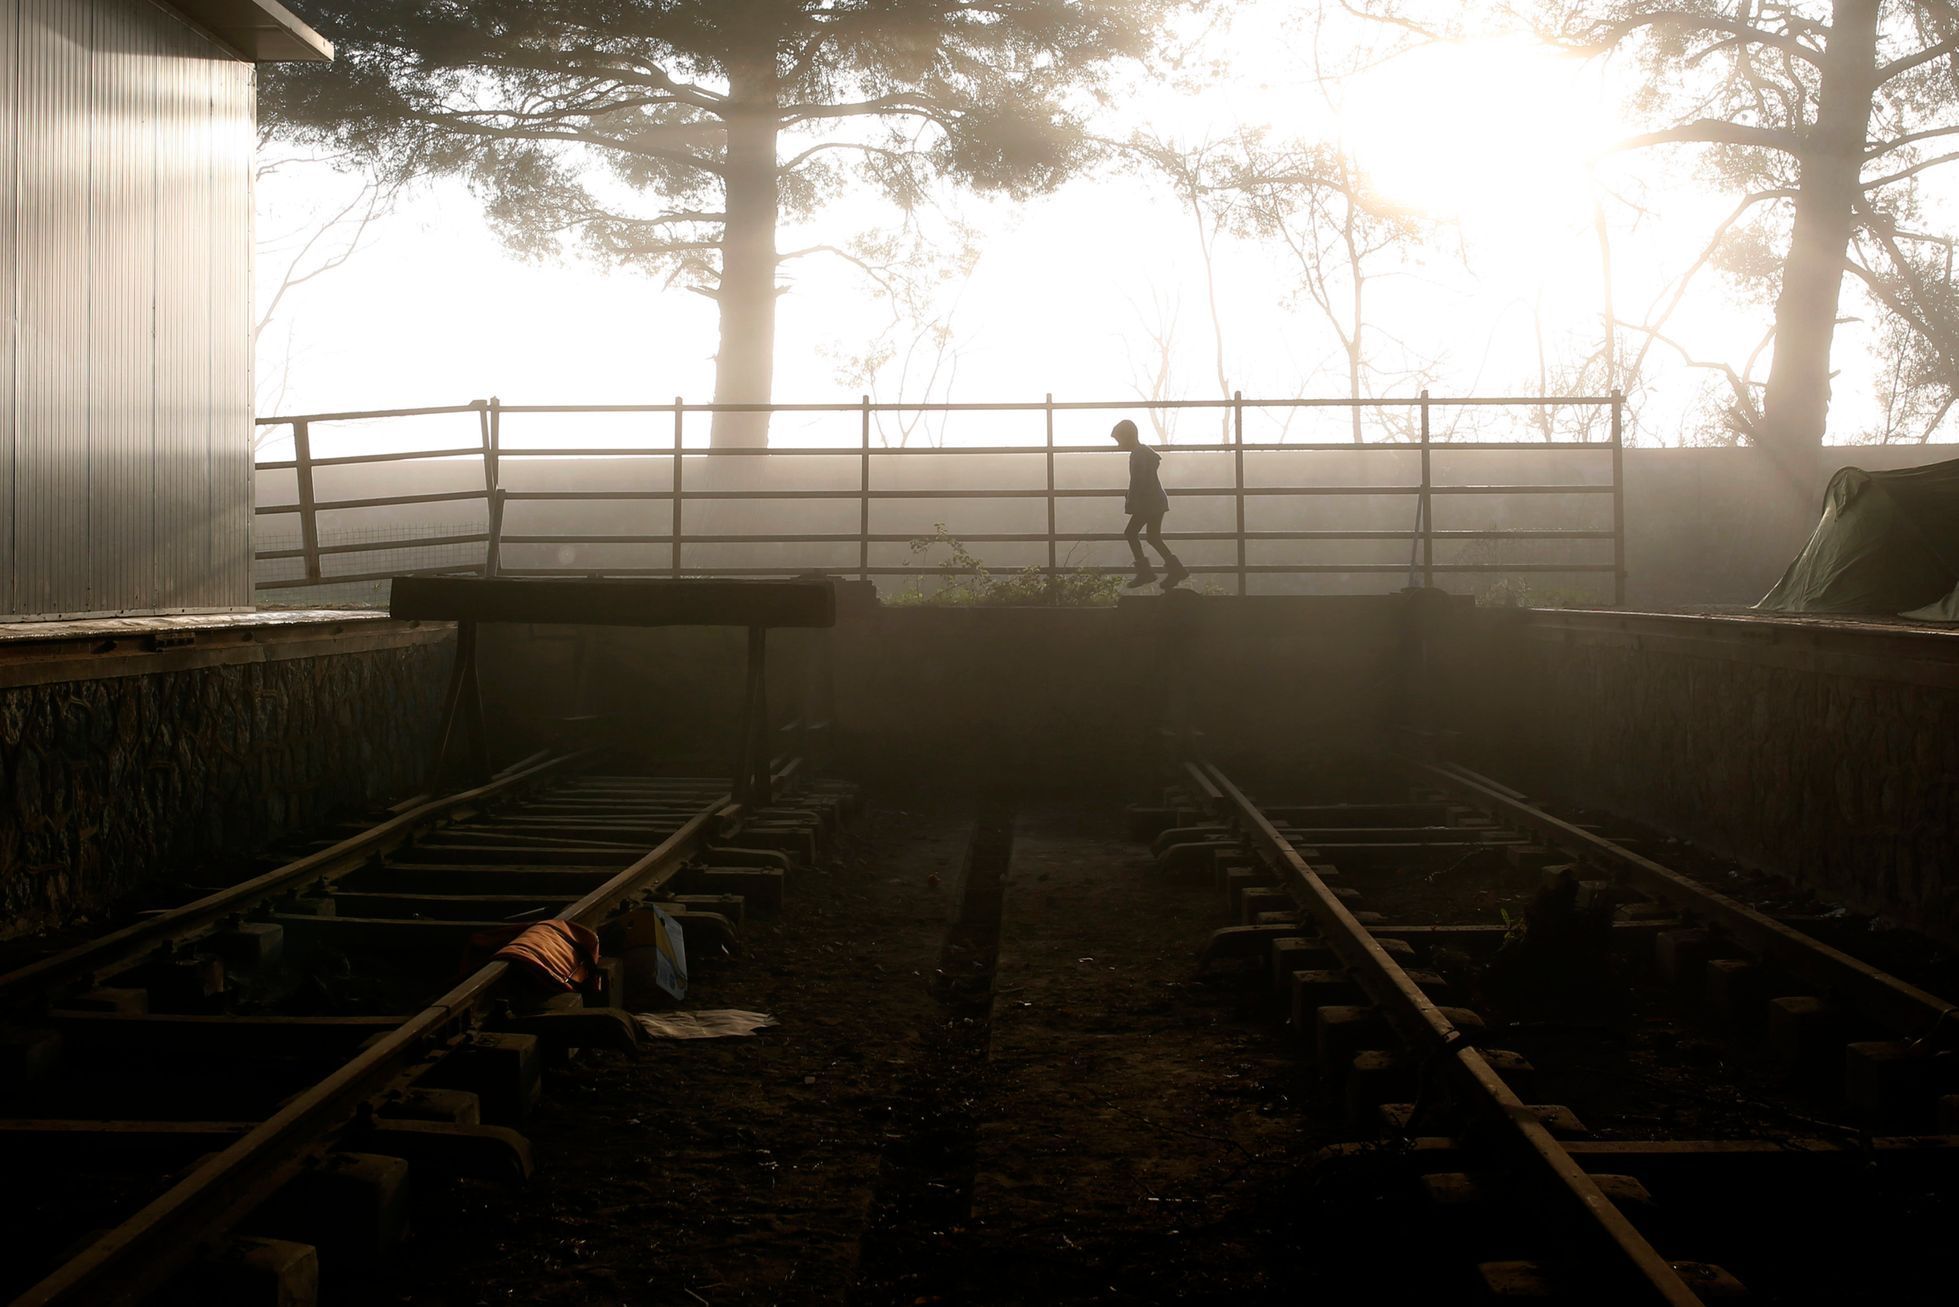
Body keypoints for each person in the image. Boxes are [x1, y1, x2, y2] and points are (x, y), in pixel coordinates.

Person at [1110, 418, 1189, 589]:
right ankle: (1176, 570)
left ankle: (1145, 572)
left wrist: (1131, 500)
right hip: (1156, 501)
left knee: (1131, 533)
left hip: (1148, 502)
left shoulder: (1137, 455)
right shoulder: (1144, 452)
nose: (1118, 446)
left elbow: (1138, 481)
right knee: (1153, 537)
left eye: (1119, 441)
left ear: (1128, 437)